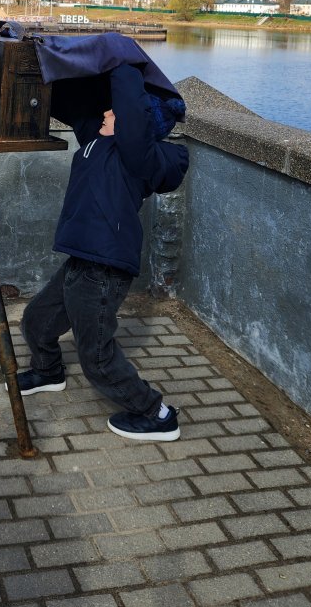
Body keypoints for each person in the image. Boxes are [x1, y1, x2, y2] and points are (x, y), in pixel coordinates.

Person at [16, 61, 190, 441]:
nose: (108, 112)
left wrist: (122, 61)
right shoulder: (96, 138)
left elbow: (130, 108)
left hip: (105, 267)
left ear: (137, 123)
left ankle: (157, 414)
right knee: (36, 321)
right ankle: (48, 372)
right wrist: (37, 59)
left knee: (95, 356)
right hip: (83, 258)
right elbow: (71, 101)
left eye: (117, 111)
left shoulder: (139, 155)